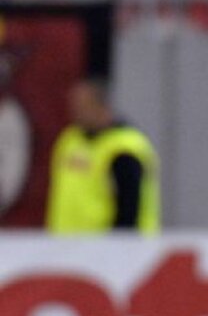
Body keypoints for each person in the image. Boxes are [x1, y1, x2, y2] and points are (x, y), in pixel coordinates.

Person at [46, 78, 160, 234]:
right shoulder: (70, 140)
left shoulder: (123, 149)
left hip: (105, 250)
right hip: (68, 248)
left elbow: (129, 209)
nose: (75, 112)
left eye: (82, 107)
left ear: (100, 106)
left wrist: (114, 249)